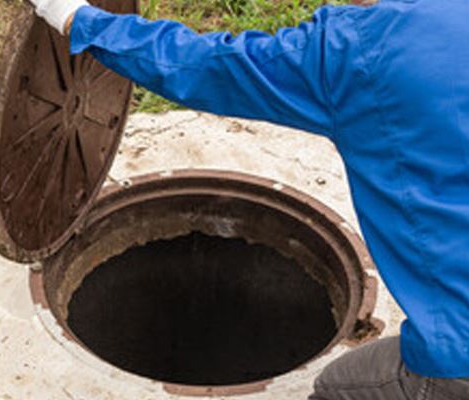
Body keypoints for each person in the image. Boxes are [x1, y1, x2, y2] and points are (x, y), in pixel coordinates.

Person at [28, 0, 469, 398]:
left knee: (337, 387)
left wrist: (78, 19)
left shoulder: (360, 51)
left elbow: (206, 66)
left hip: (459, 360)